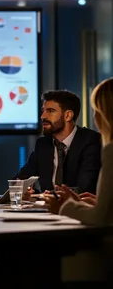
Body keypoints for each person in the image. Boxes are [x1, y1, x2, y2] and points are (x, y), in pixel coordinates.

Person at [45, 78, 113, 226]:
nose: (95, 117)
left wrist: (65, 207)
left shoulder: (106, 149)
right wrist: (96, 204)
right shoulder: (43, 144)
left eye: (96, 110)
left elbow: (99, 219)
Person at [15, 90, 101, 194]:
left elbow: (85, 189)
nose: (43, 116)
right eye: (44, 110)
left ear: (68, 115)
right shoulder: (42, 144)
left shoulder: (91, 141)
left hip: (79, 209)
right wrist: (29, 193)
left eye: (50, 111)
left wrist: (44, 196)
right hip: (47, 209)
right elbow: (18, 182)